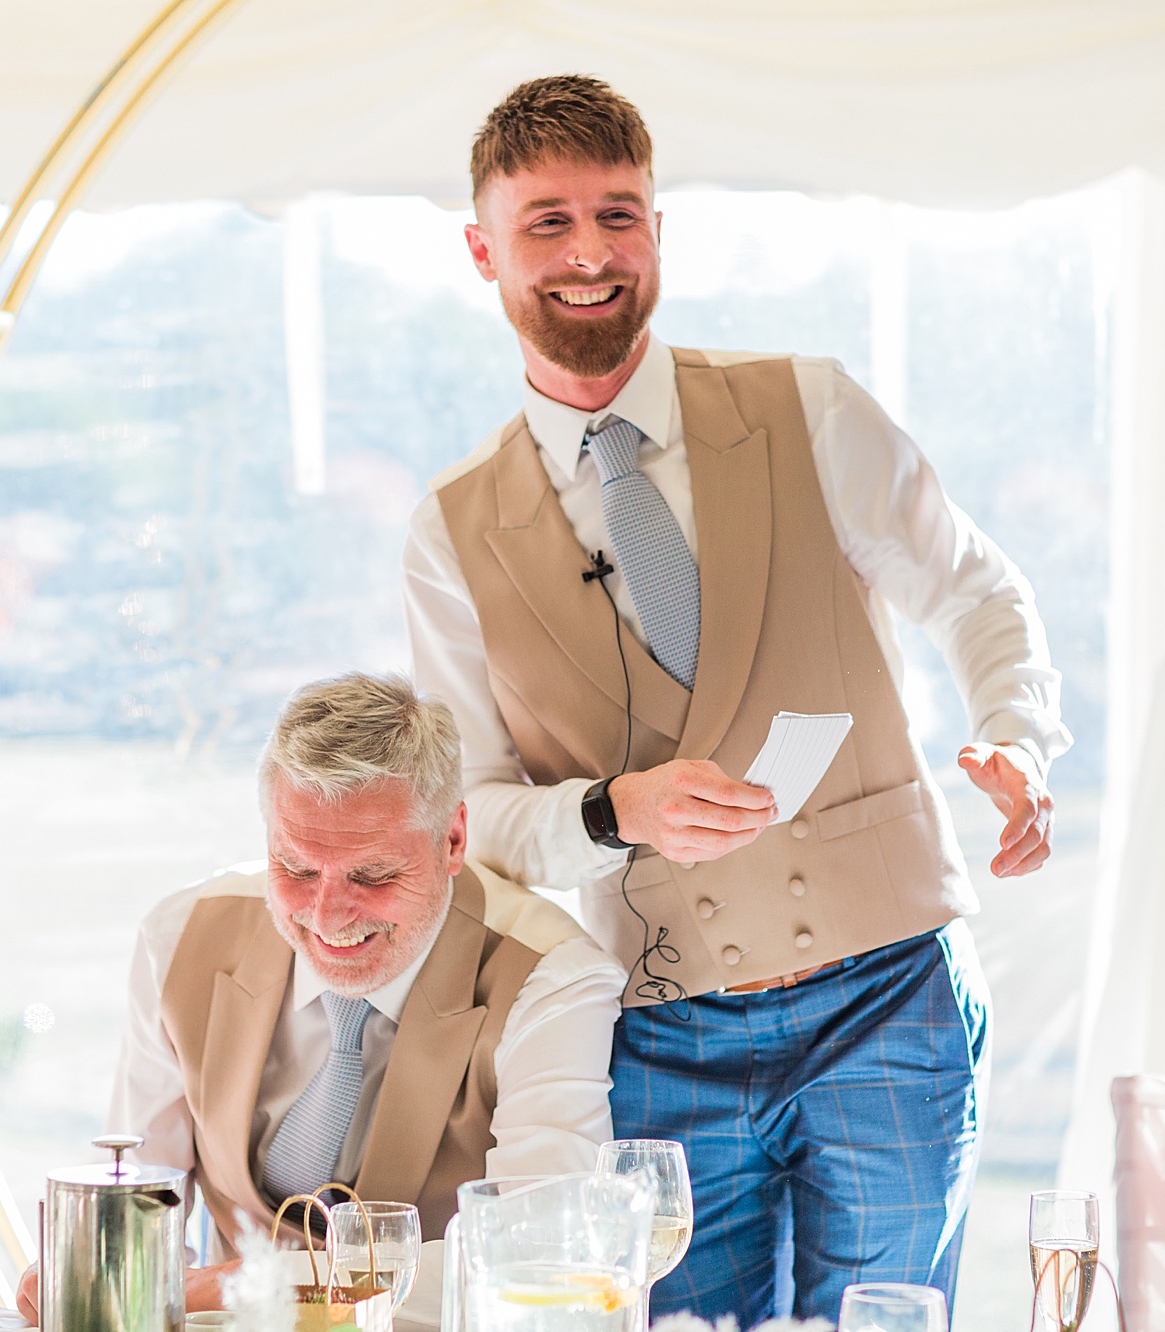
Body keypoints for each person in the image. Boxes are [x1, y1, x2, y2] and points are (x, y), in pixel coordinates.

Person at [403, 76, 1072, 1319]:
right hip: (656, 1038)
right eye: (547, 222)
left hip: (889, 997)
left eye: (621, 214)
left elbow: (980, 595)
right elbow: (468, 816)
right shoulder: (449, 534)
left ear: (659, 228)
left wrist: (1014, 740)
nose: (591, 253)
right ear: (480, 248)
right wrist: (609, 813)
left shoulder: (808, 409)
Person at [15, 673, 625, 1326]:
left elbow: (540, 1255)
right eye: (297, 869)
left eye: (373, 874)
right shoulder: (179, 938)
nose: (328, 916)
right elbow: (138, 1188)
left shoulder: (553, 981)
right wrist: (91, 1264)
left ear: (452, 840)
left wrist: (236, 1285)